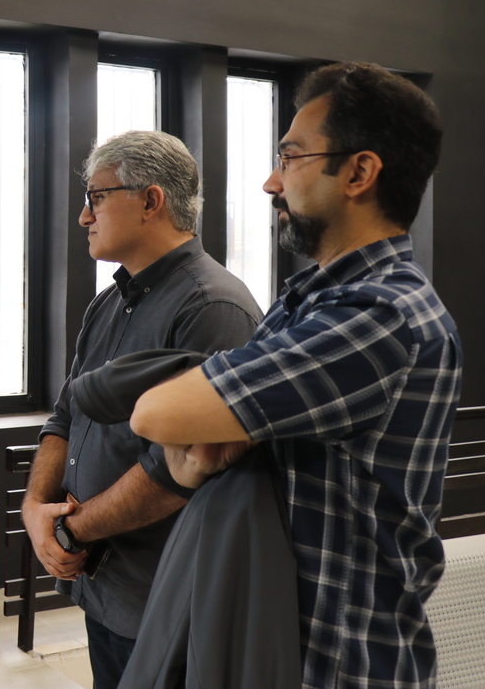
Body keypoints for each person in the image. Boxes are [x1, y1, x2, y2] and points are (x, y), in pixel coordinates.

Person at [131, 61, 462, 689]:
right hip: (275, 646)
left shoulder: (381, 314)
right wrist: (201, 446)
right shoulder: (305, 301)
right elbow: (191, 449)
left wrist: (199, 428)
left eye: (290, 157)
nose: (270, 181)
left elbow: (157, 414)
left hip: (343, 664)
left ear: (359, 172)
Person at [19, 131, 262, 689]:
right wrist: (34, 509)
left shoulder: (213, 307)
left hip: (164, 599)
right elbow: (66, 415)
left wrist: (72, 531)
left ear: (151, 200)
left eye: (96, 197)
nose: (84, 216)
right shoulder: (109, 302)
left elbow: (179, 465)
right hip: (103, 587)